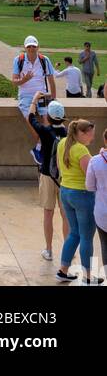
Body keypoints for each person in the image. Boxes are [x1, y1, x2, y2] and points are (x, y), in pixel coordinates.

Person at [25, 98, 69, 261]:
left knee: (48, 214)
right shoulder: (67, 133)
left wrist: (34, 99)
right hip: (64, 177)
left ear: (48, 117)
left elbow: (30, 117)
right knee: (66, 215)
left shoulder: (45, 131)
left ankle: (49, 250)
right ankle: (67, 250)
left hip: (47, 175)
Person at [55, 118, 98, 283]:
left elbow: (60, 167)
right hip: (82, 195)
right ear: (82, 133)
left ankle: (63, 270)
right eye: (91, 135)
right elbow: (91, 177)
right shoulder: (81, 150)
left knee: (74, 233)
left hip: (65, 191)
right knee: (87, 237)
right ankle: (88, 276)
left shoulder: (63, 143)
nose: (92, 138)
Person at [12, 36, 55, 118]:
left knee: (47, 118)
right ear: (24, 47)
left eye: (34, 46)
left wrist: (53, 99)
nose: (31, 48)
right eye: (28, 46)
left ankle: (45, 131)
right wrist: (24, 79)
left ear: (38, 47)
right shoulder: (18, 60)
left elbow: (51, 82)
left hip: (41, 95)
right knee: (29, 118)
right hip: (25, 95)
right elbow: (14, 82)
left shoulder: (44, 60)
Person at [84, 125, 107, 273]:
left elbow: (90, 186)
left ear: (105, 140)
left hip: (102, 212)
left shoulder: (96, 161)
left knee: (105, 246)